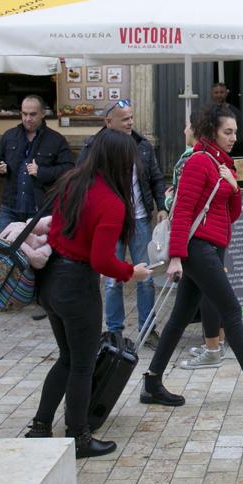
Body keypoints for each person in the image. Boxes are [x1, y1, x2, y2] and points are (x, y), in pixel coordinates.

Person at [25, 130, 153, 458]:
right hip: (78, 284)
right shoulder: (110, 201)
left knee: (67, 358)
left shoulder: (71, 182)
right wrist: (132, 272)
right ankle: (79, 436)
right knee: (82, 364)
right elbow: (101, 260)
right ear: (121, 162)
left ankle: (40, 426)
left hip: (51, 278)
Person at [141, 105, 243, 407]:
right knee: (230, 309)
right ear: (212, 131)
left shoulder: (222, 165)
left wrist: (234, 188)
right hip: (198, 248)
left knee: (179, 316)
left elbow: (232, 213)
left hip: (211, 247)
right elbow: (182, 211)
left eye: (235, 133)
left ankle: (152, 380)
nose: (233, 138)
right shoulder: (199, 162)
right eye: (227, 132)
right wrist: (176, 257)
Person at [79, 99, 167, 342]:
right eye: (124, 118)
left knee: (146, 276)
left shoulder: (143, 145)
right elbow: (81, 182)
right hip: (110, 222)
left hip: (139, 219)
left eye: (131, 117)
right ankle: (114, 332)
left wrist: (162, 207)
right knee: (112, 278)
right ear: (108, 122)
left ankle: (148, 331)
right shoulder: (93, 147)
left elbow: (156, 179)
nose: (130, 122)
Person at [166, 119, 227, 370]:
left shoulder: (192, 159)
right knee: (195, 302)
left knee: (218, 301)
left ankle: (217, 349)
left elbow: (181, 205)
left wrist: (167, 200)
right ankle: (216, 344)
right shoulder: (216, 160)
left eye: (188, 126)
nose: (184, 129)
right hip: (212, 237)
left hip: (198, 239)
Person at [0, 96, 74, 231]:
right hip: (10, 208)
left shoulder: (56, 140)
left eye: (32, 114)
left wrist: (41, 172)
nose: (27, 118)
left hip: (40, 211)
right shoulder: (9, 136)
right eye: (24, 114)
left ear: (43, 113)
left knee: (37, 252)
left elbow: (69, 169)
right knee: (3, 250)